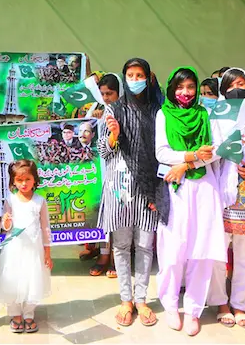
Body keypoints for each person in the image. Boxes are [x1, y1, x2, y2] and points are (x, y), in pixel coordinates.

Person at [154, 67, 224, 335]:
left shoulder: (204, 113)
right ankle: (171, 305)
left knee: (201, 251)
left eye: (190, 87)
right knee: (173, 250)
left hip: (204, 186)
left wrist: (187, 162)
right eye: (180, 87)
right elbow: (161, 152)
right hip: (174, 187)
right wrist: (191, 157)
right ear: (172, 88)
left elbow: (215, 151)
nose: (186, 92)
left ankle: (193, 309)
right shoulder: (164, 114)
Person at [97, 58, 162, 328]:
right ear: (124, 77)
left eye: (140, 74)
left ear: (148, 77)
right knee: (122, 247)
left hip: (148, 187)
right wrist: (113, 135)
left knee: (145, 246)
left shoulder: (158, 111)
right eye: (130, 74)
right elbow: (103, 150)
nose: (135, 79)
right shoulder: (113, 110)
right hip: (120, 187)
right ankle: (126, 299)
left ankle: (142, 299)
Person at [207, 68, 245, 329]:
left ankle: (241, 305)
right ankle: (220, 302)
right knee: (217, 253)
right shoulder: (214, 117)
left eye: (241, 84)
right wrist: (223, 150)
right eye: (230, 86)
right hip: (220, 194)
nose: (236, 90)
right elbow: (206, 152)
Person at [0, 160, 52, 334]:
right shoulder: (10, 200)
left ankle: (29, 313)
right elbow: (6, 226)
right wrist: (6, 222)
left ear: (34, 180)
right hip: (14, 250)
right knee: (13, 280)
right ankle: (15, 314)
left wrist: (47, 253)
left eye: (27, 179)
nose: (23, 184)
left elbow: (45, 227)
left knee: (32, 280)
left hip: (34, 250)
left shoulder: (40, 201)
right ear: (13, 182)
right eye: (19, 180)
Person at [81, 73, 123, 279]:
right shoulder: (97, 110)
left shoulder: (126, 112)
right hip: (99, 169)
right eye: (103, 93)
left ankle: (116, 258)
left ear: (119, 93)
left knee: (117, 216)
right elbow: (84, 133)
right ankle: (103, 255)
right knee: (103, 214)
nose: (106, 98)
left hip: (120, 171)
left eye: (110, 94)